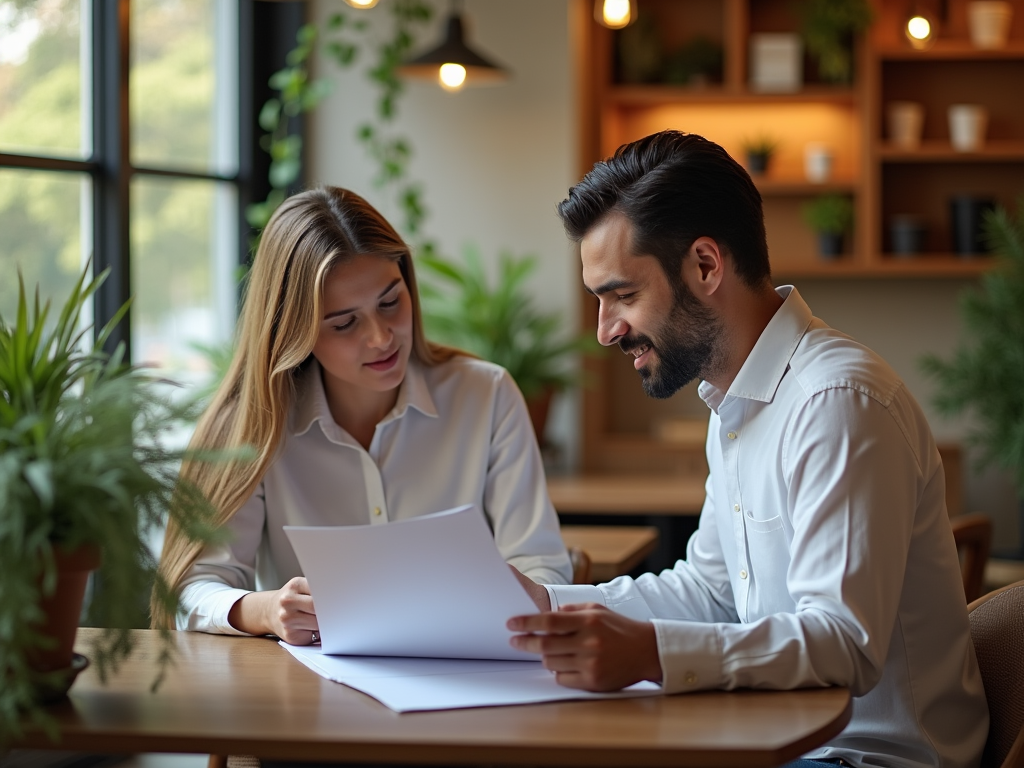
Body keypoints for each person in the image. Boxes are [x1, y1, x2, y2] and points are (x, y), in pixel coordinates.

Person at [507, 131, 988, 768]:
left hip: (864, 760)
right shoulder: (733, 401)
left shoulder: (836, 402)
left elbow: (845, 644)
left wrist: (651, 653)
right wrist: (542, 608)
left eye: (622, 295)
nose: (605, 331)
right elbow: (713, 592)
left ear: (706, 266)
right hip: (780, 741)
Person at [155, 186, 571, 640]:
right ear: (294, 330)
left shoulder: (486, 395)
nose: (381, 338)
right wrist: (268, 610)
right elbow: (192, 591)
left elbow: (542, 569)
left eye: (390, 302)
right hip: (312, 691)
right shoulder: (253, 422)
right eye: (344, 323)